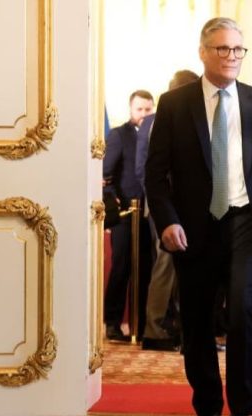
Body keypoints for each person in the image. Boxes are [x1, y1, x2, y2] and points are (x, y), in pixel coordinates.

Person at [145, 17, 252, 416]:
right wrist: (167, 220)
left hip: (246, 222)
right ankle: (208, 408)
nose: (232, 57)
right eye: (223, 49)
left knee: (245, 314)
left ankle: (242, 413)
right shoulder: (174, 104)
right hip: (195, 226)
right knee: (198, 319)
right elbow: (156, 174)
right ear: (203, 52)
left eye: (238, 50)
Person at [136, 70, 199, 352]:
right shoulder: (160, 119)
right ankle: (156, 329)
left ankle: (168, 326)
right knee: (165, 266)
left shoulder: (163, 117)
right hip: (165, 207)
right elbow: (147, 169)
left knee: (174, 268)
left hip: (172, 205)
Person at [102, 90, 155, 341]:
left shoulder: (157, 133)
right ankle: (112, 323)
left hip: (148, 215)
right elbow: (106, 174)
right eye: (140, 109)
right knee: (122, 267)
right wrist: (116, 200)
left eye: (148, 109)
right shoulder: (119, 135)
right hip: (125, 214)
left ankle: (141, 324)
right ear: (130, 110)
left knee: (145, 269)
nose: (144, 114)